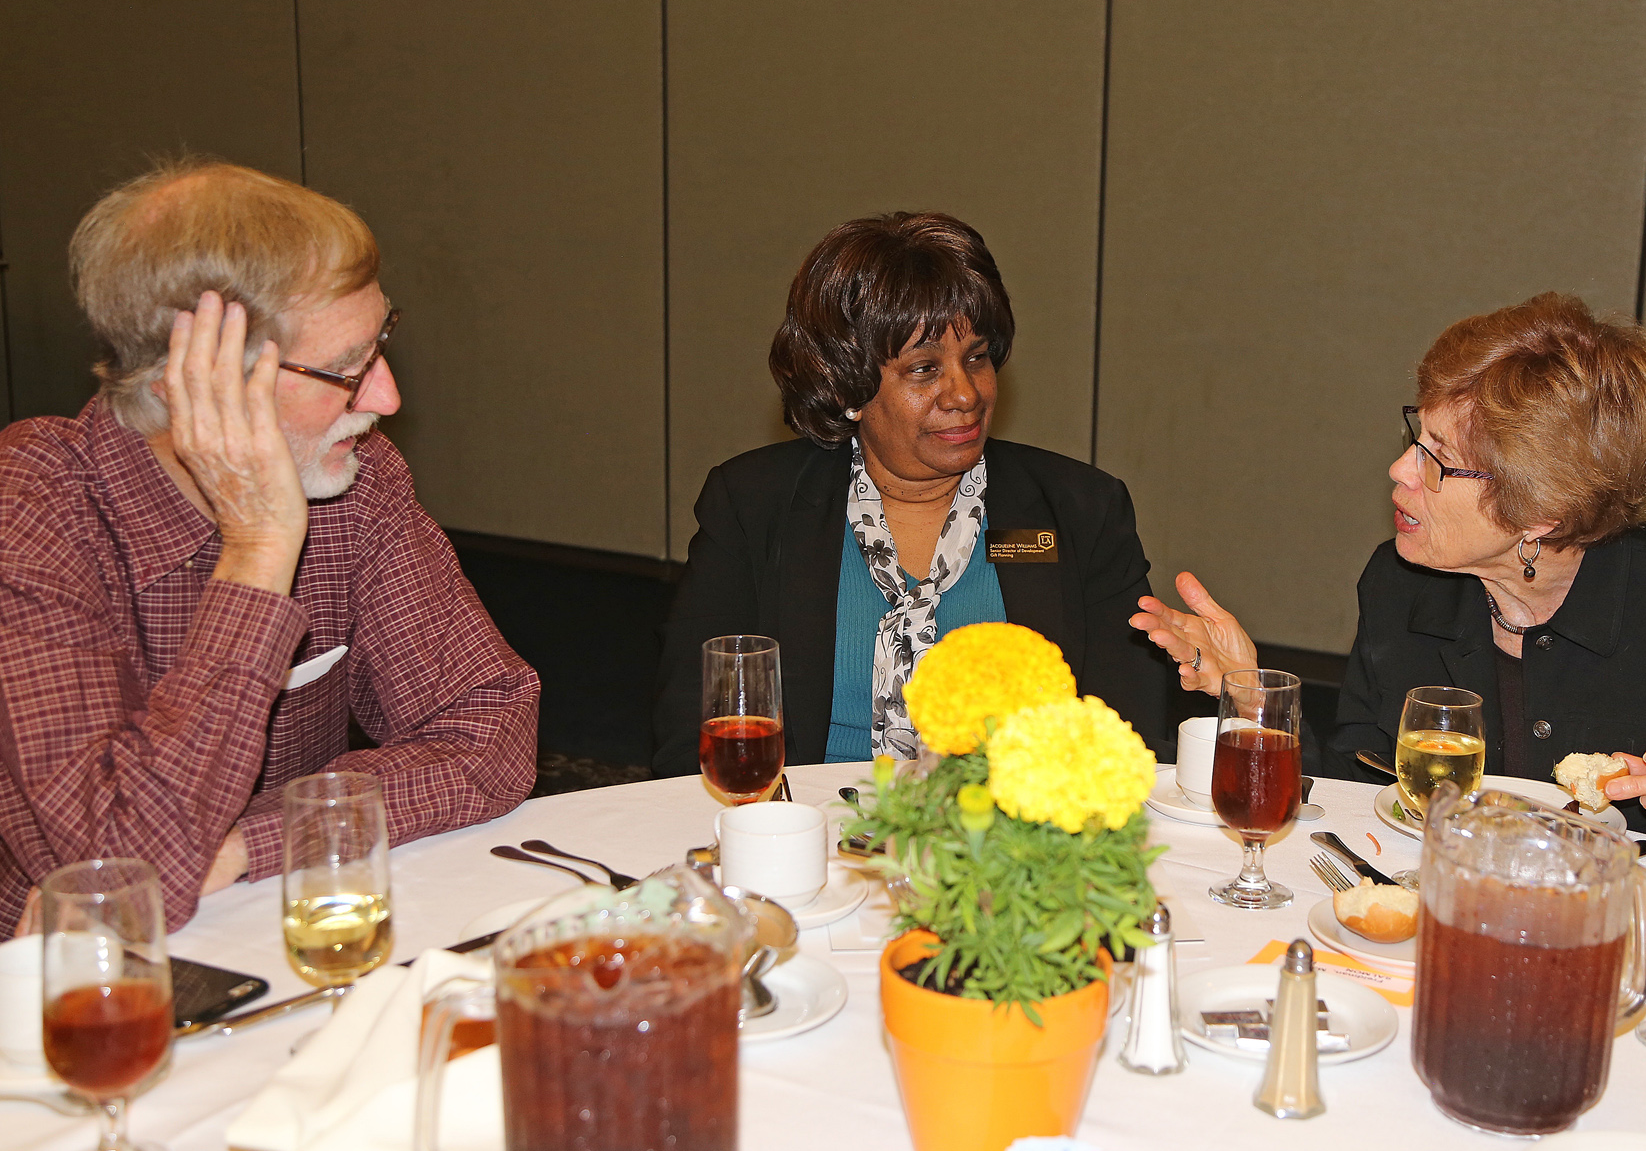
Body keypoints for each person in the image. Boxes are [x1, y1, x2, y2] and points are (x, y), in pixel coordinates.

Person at [0, 159, 540, 931]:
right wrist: (258, 551)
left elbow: (491, 727)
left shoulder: (358, 483)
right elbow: (118, 875)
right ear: (185, 383)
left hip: (258, 924)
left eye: (380, 344)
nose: (386, 398)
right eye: (345, 369)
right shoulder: (32, 509)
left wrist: (249, 843)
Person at [1132, 292, 1646, 867]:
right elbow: (1358, 791)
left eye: (1439, 460)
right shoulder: (1402, 584)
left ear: (1541, 509)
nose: (1400, 471)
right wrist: (1253, 702)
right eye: (1414, 437)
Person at [653, 212, 1166, 775]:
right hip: (807, 834)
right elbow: (696, 733)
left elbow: (1126, 737)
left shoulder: (1080, 511)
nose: (965, 394)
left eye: (976, 357)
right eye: (924, 369)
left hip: (1005, 843)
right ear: (845, 384)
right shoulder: (754, 505)